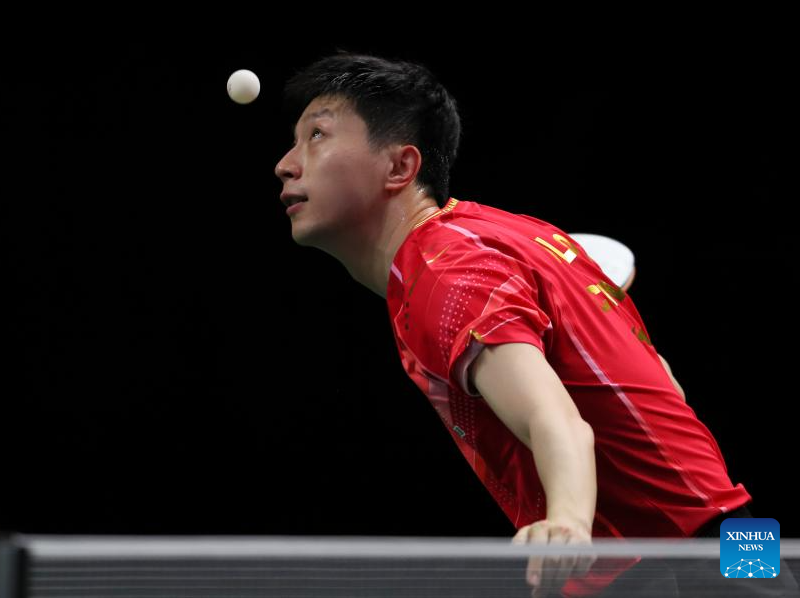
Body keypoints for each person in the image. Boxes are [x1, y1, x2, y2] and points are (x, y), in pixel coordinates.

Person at [273, 53, 795, 597]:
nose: (286, 164)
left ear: (400, 167)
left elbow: (556, 418)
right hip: (735, 529)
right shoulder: (511, 233)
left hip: (665, 562)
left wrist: (567, 522)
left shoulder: (446, 274)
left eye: (317, 136)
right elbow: (664, 383)